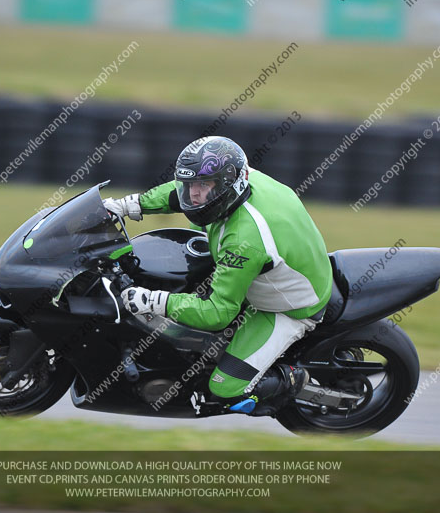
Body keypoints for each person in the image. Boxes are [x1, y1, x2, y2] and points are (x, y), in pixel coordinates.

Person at [103, 136, 333, 415]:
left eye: (203, 186)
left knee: (225, 390)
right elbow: (178, 192)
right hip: (273, 268)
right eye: (189, 185)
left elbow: (217, 314)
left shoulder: (244, 240)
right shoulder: (242, 178)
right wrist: (130, 205)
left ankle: (295, 382)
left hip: (286, 307)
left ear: (227, 185)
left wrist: (153, 301)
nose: (193, 195)